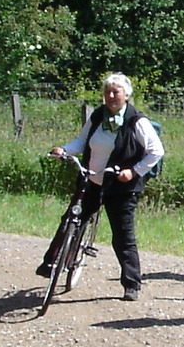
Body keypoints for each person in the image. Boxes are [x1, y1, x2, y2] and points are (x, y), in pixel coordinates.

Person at [41, 73, 165, 302]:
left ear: (126, 95)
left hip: (121, 186)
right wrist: (65, 150)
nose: (110, 96)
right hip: (92, 179)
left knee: (122, 235)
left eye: (115, 92)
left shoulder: (137, 121)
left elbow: (156, 152)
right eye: (107, 91)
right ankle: (52, 263)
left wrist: (133, 171)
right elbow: (81, 141)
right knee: (71, 219)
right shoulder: (98, 115)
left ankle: (131, 284)